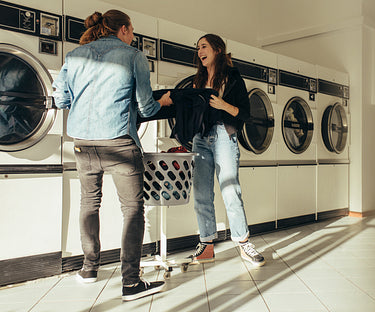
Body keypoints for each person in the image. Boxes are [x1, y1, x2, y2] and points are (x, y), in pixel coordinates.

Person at [52, 10, 172, 301]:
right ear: (125, 29)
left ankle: (89, 268)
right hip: (118, 141)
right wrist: (164, 101)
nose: (133, 35)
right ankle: (130, 282)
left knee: (89, 203)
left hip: (82, 143)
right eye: (132, 31)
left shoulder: (75, 56)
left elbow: (60, 99)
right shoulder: (133, 56)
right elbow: (146, 107)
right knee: (132, 209)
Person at [188, 34, 266, 267]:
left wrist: (223, 105)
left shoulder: (232, 77)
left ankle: (244, 244)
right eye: (198, 47)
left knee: (231, 191)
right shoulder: (198, 78)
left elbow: (245, 113)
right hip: (200, 138)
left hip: (224, 135)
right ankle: (206, 244)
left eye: (204, 46)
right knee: (201, 193)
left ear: (218, 50)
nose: (200, 51)